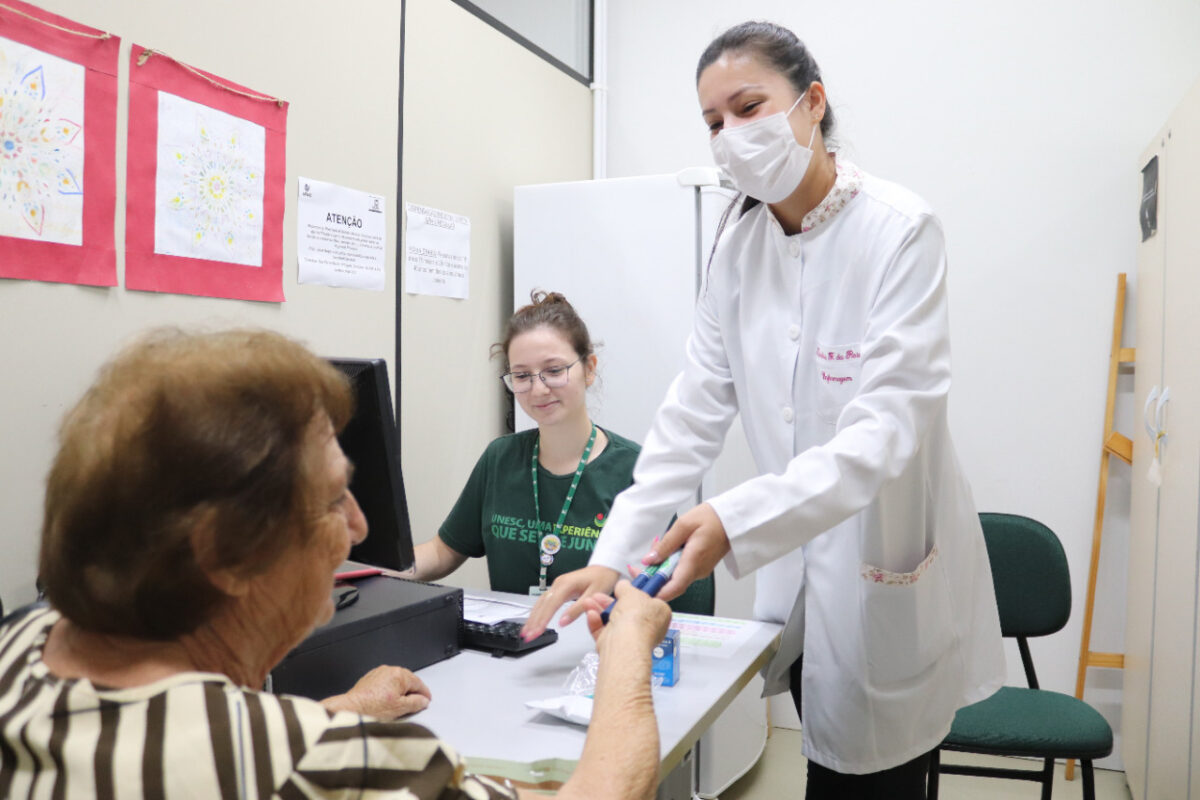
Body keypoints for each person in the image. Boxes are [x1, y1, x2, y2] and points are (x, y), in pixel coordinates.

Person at [523, 20, 1005, 799]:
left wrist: (733, 521)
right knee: (818, 738)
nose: (730, 136)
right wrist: (612, 559)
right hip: (797, 564)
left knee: (871, 775)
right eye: (714, 122)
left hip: (883, 566)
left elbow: (883, 433)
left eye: (749, 107)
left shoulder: (900, 230)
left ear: (811, 104)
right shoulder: (737, 248)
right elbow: (688, 421)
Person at [0, 328, 671, 800]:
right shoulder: (309, 761)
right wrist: (627, 652)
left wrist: (346, 707)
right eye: (330, 500)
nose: (360, 527)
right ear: (222, 554)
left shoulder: (22, 640)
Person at [410, 291, 713, 614]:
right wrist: (370, 569)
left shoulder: (633, 470)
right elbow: (443, 552)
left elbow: (682, 585)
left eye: (554, 370)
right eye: (522, 375)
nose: (538, 389)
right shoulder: (499, 459)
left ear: (589, 368)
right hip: (515, 650)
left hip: (603, 649)